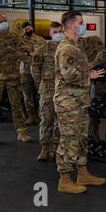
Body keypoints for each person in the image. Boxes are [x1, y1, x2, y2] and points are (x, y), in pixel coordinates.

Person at [54, 11, 106, 194]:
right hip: (68, 103)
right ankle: (65, 179)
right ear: (70, 25)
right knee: (69, 140)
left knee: (81, 138)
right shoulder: (67, 47)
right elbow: (68, 75)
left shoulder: (76, 46)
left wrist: (89, 68)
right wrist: (88, 75)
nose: (84, 25)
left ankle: (83, 173)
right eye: (81, 22)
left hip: (80, 101)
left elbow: (78, 68)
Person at [0, 13, 31, 145]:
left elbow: (21, 52)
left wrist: (8, 51)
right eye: (1, 21)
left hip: (13, 76)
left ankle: (21, 131)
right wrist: (11, 50)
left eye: (5, 20)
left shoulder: (14, 37)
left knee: (17, 104)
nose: (3, 22)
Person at [31, 22, 64, 161]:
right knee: (46, 119)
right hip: (47, 90)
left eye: (60, 31)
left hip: (63, 91)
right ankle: (44, 148)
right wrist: (43, 83)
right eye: (55, 31)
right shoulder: (42, 49)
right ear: (50, 34)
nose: (58, 34)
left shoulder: (67, 48)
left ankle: (56, 148)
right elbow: (35, 69)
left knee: (60, 121)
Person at [78, 35, 106, 139]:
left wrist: (92, 64)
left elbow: (102, 53)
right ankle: (86, 136)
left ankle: (95, 133)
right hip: (81, 83)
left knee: (95, 109)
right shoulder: (70, 46)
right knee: (83, 110)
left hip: (97, 82)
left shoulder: (93, 40)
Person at [20, 21, 46, 125]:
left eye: (29, 28)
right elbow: (18, 54)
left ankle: (42, 116)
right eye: (26, 29)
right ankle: (31, 117)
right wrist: (32, 54)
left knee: (41, 94)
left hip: (38, 71)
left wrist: (29, 54)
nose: (28, 30)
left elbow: (44, 53)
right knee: (27, 95)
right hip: (25, 71)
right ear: (23, 30)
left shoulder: (40, 40)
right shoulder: (19, 41)